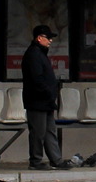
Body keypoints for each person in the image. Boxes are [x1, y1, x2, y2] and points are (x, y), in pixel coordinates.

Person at [22, 24, 71, 170]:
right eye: (48, 38)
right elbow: (37, 79)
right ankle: (35, 161)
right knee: (38, 132)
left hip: (45, 101)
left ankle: (56, 160)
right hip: (37, 101)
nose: (50, 41)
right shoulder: (33, 54)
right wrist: (48, 93)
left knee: (50, 131)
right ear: (39, 38)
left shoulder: (40, 54)